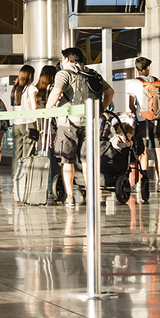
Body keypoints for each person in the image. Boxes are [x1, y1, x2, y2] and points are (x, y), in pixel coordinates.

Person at [46, 47, 114, 207]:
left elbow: (56, 93)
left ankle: (70, 196)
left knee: (67, 160)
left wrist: (46, 111)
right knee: (87, 161)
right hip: (90, 123)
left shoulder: (65, 73)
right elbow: (110, 92)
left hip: (68, 123)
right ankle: (92, 194)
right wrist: (101, 109)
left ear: (67, 59)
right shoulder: (93, 74)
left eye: (63, 59)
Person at [126, 57, 160, 191]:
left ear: (136, 69)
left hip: (143, 120)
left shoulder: (134, 82)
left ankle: (140, 183)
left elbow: (131, 105)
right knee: (158, 152)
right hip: (157, 119)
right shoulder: (157, 82)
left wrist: (137, 113)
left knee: (143, 152)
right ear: (148, 68)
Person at [10, 66, 38, 181]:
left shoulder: (15, 89)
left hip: (16, 123)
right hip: (28, 122)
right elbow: (34, 106)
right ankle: (26, 178)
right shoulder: (30, 88)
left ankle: (16, 177)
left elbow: (13, 107)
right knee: (28, 153)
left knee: (17, 153)